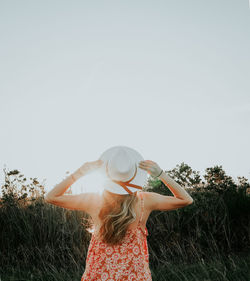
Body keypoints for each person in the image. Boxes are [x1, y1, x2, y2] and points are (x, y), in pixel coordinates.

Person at [45, 145, 193, 280]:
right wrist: (161, 174)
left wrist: (79, 173)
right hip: (136, 276)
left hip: (98, 275)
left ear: (108, 173)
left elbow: (51, 197)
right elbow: (186, 200)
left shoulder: (93, 201)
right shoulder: (145, 202)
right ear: (134, 175)